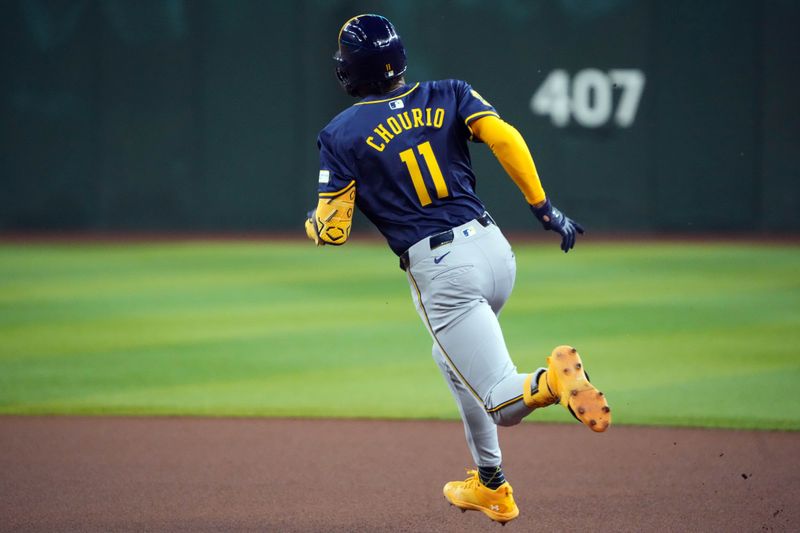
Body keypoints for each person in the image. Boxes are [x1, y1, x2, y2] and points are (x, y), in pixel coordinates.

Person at [304, 13, 611, 525]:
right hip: (494, 250)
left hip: (444, 270)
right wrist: (544, 209)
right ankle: (491, 483)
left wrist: (314, 225)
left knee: (502, 401)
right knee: (451, 361)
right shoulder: (450, 92)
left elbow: (333, 231)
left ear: (351, 70)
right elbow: (505, 137)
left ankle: (552, 382)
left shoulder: (339, 134)